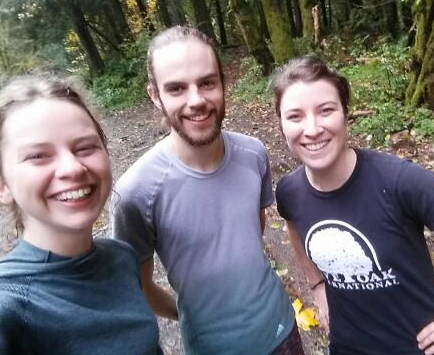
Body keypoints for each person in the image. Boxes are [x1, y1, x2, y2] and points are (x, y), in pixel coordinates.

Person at [271, 57, 434, 355]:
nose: (312, 129)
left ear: (345, 113)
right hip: (346, 346)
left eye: (326, 110)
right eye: (295, 116)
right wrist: (318, 285)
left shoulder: (401, 181)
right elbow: (294, 227)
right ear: (281, 123)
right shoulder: (289, 191)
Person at [0, 76, 162, 354]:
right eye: (38, 156)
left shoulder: (121, 257)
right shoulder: (7, 303)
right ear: (0, 186)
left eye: (85, 148)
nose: (72, 168)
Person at [111, 26, 301, 354]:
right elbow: (139, 287)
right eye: (176, 88)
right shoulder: (135, 193)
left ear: (222, 83)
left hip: (283, 329)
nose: (196, 100)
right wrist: (189, 314)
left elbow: (252, 231)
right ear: (154, 95)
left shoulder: (254, 153)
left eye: (207, 82)